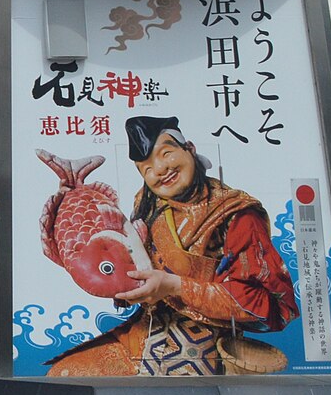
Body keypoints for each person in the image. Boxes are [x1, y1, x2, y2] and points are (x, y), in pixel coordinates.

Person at [48, 116, 298, 377]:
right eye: (146, 168)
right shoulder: (148, 202)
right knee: (64, 373)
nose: (159, 170)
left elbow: (268, 303)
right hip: (144, 331)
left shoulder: (236, 215)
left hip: (202, 348)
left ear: (189, 148)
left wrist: (175, 286)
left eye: (166, 154)